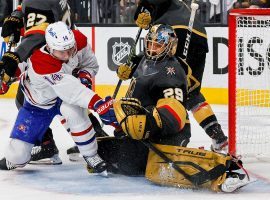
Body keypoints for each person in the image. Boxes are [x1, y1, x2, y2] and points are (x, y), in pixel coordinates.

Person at [94, 24, 250, 192]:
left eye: (158, 45)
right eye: (150, 43)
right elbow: (136, 62)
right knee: (106, 154)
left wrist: (144, 125)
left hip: (168, 133)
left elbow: (174, 115)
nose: (152, 49)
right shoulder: (146, 60)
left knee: (135, 165)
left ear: (170, 47)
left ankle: (222, 169)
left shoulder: (172, 73)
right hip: (143, 129)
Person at [0, 22, 119, 176]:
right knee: (17, 155)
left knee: (76, 114)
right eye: (61, 52)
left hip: (63, 98)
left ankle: (91, 155)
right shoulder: (41, 61)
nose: (67, 55)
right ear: (49, 47)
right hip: (38, 104)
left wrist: (85, 77)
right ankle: (18, 157)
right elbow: (73, 91)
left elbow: (90, 64)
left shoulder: (78, 41)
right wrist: (7, 78)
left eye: (70, 49)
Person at [118, 0, 228, 153]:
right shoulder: (178, 6)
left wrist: (144, 17)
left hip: (174, 32)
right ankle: (219, 137)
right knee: (190, 92)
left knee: (167, 85)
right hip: (198, 34)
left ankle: (173, 136)